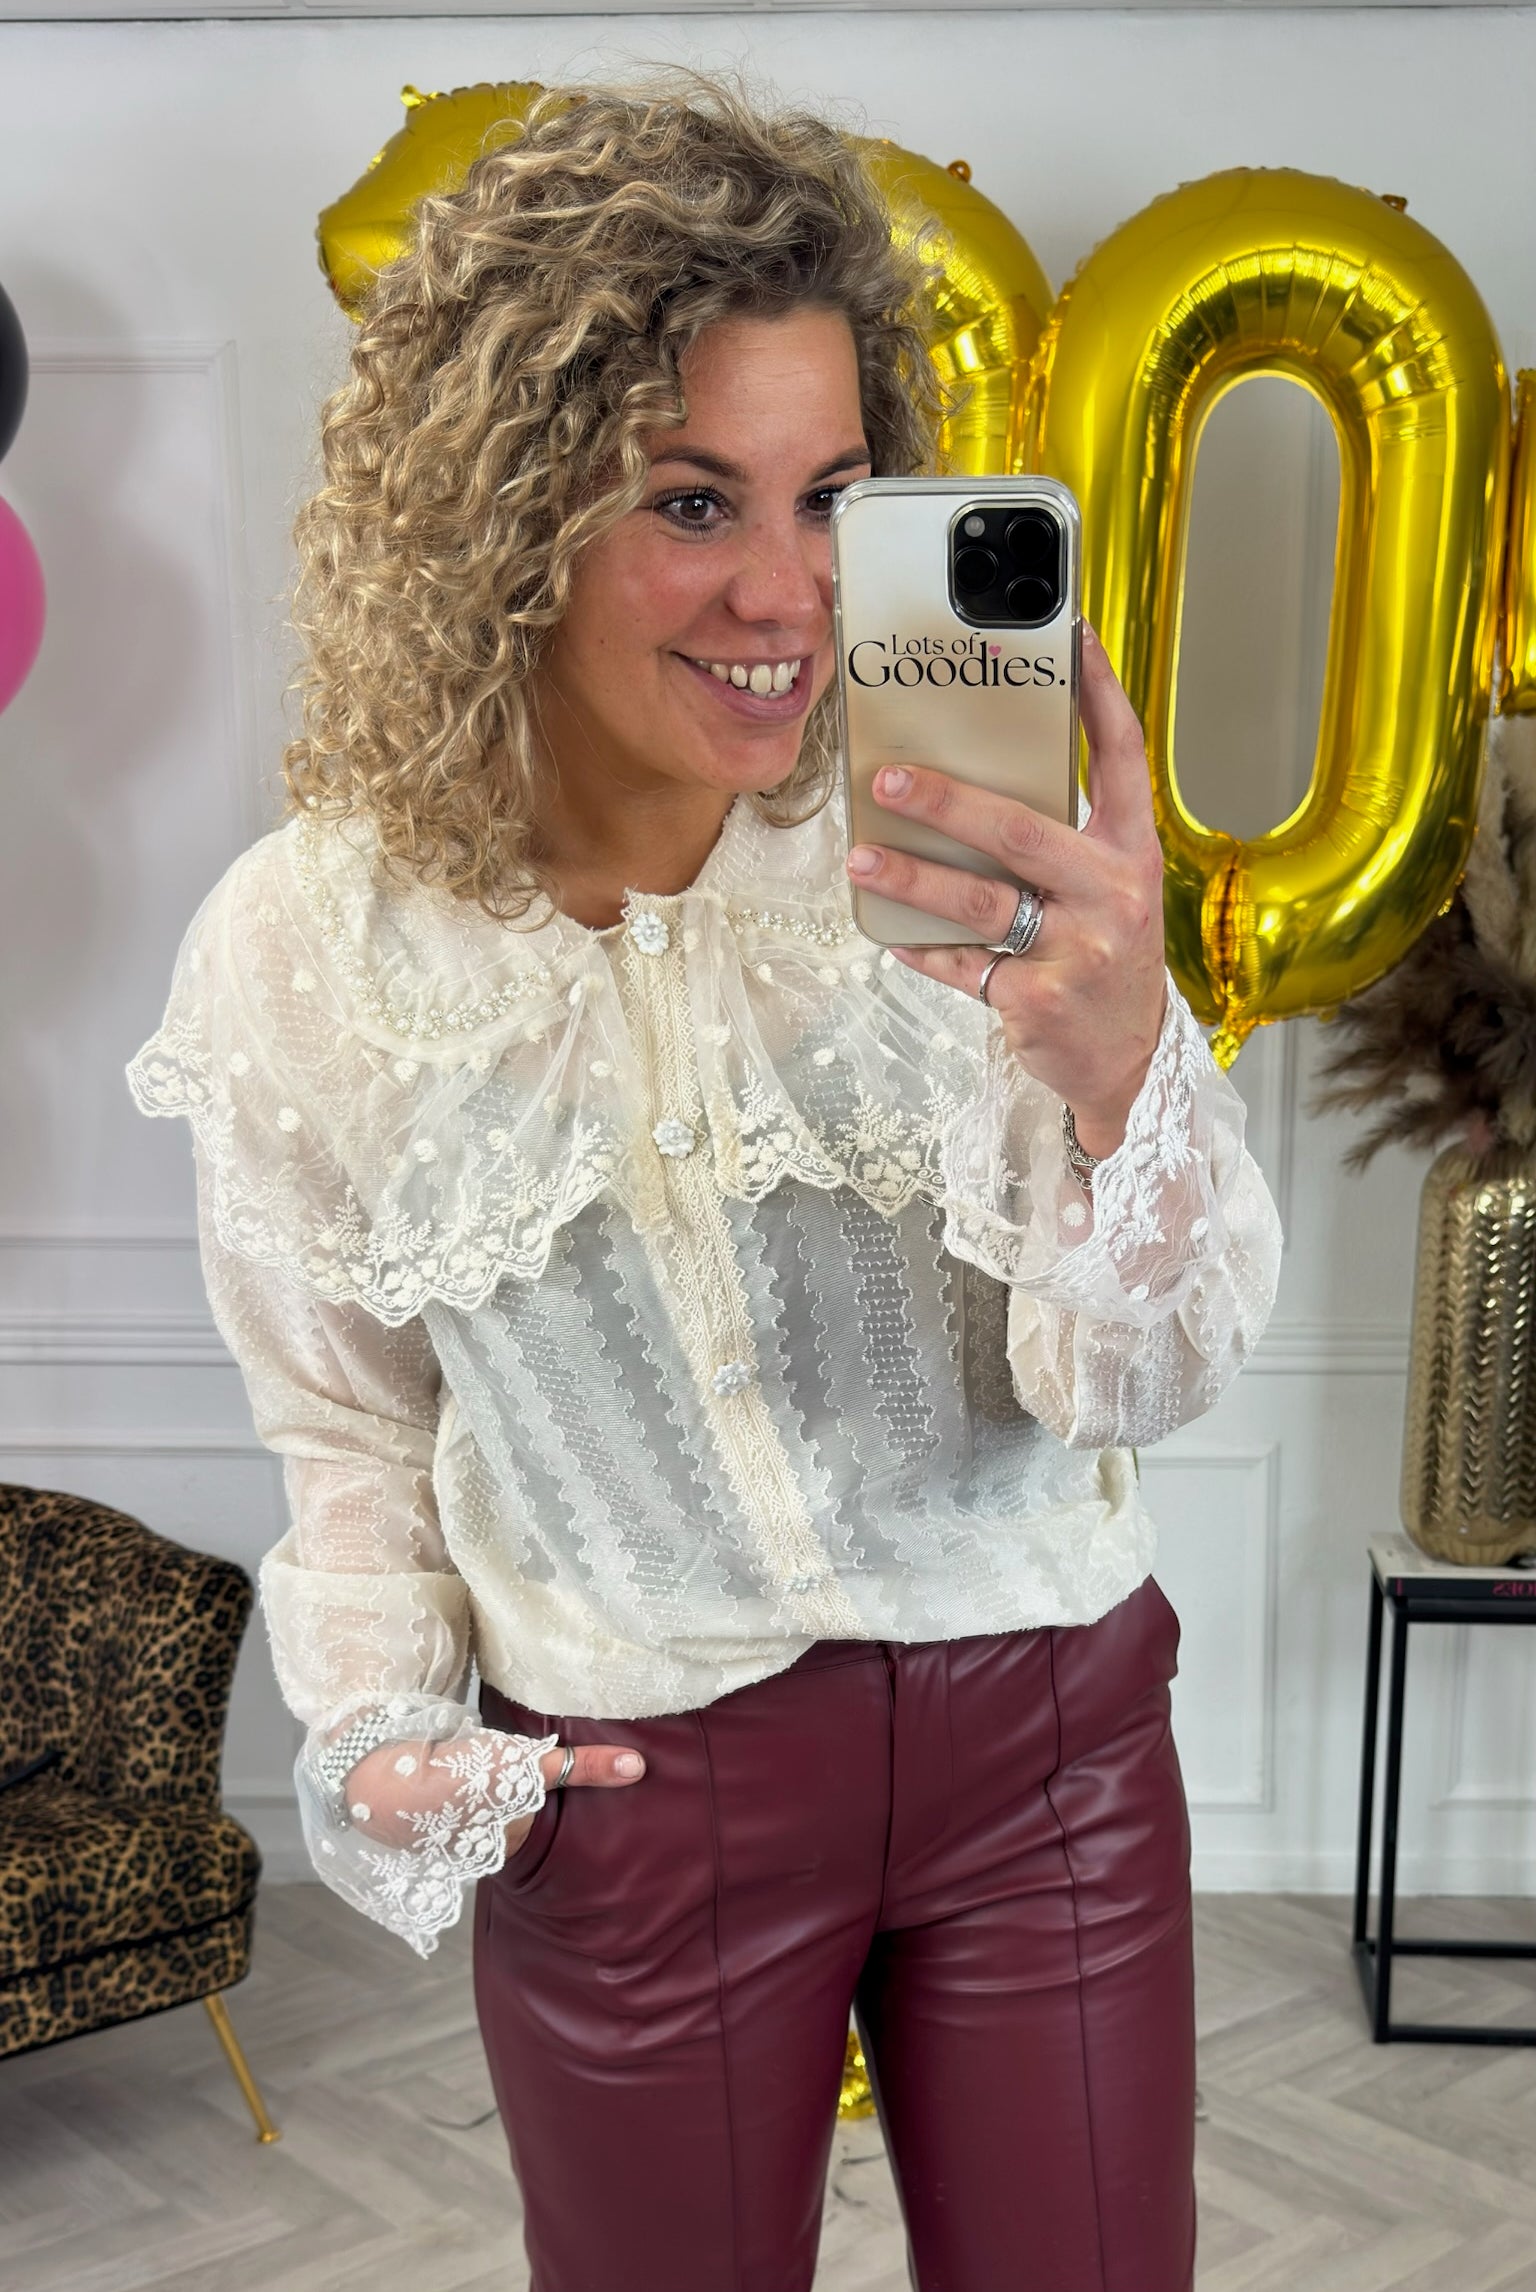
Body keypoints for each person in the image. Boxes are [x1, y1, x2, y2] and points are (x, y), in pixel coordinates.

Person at [128, 77, 1281, 2292]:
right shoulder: (307, 957)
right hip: (640, 1796)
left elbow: (1135, 1387)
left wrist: (1123, 1070)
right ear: (504, 519)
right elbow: (349, 1425)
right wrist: (378, 1731)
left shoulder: (965, 854)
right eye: (690, 499)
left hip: (1043, 1741)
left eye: (838, 497)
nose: (788, 591)